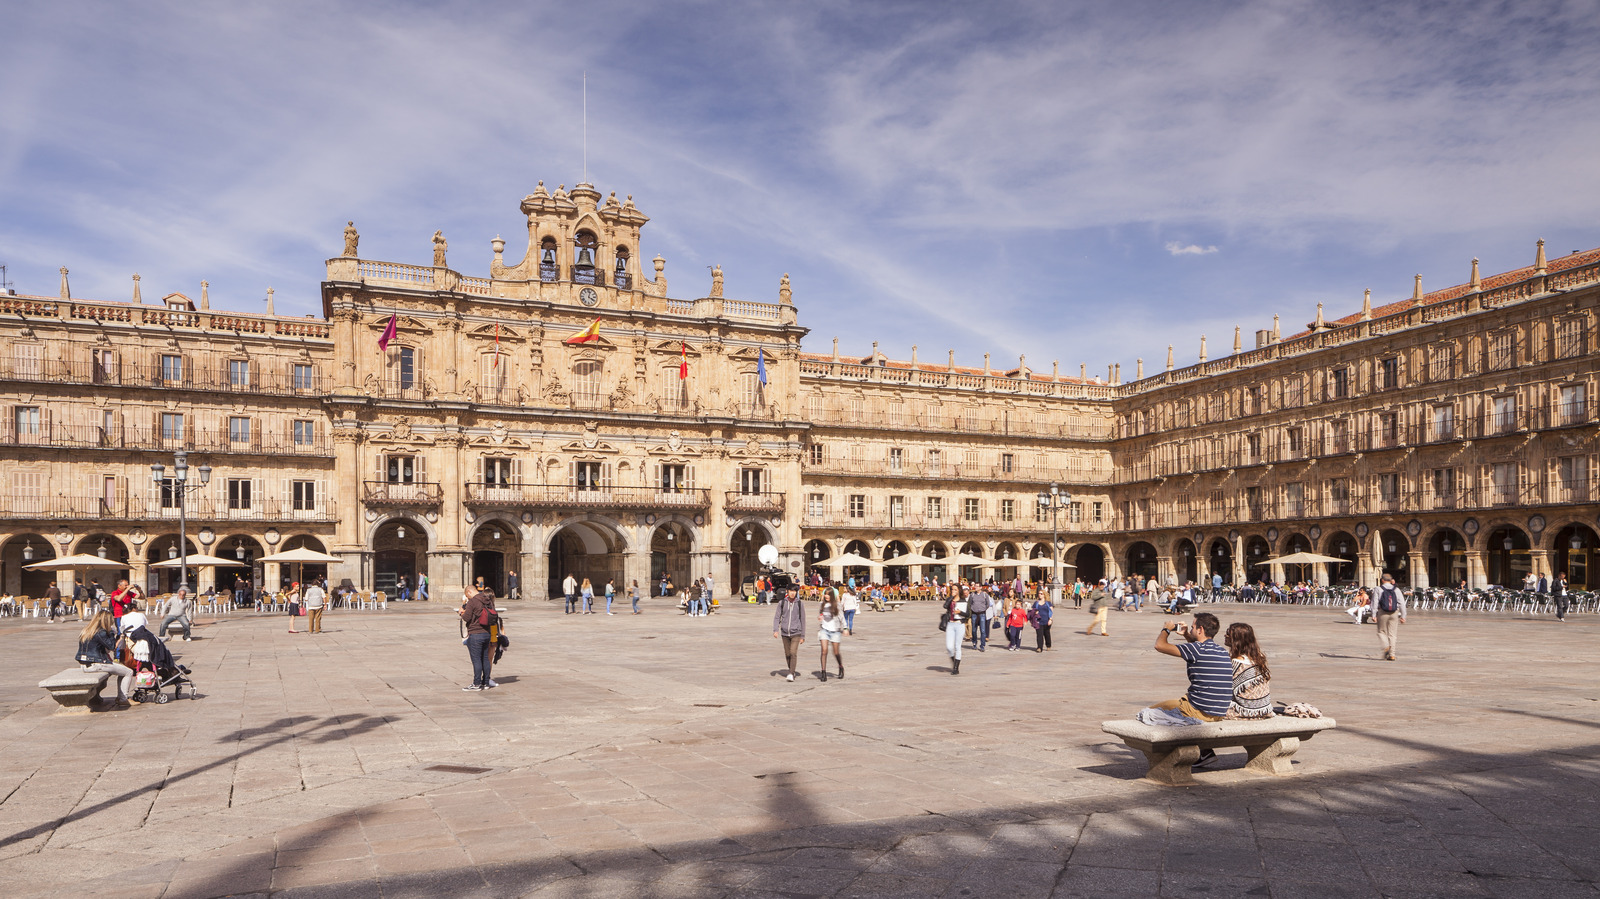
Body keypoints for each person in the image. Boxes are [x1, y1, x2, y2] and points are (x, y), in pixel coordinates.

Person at [1143, 612, 1232, 730]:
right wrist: (1186, 634)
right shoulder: (1222, 651)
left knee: (1148, 713)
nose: (1190, 630)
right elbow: (1197, 650)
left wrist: (1166, 629)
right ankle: (1205, 749)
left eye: (1192, 627)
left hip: (1197, 710)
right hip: (1218, 713)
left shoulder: (1195, 649)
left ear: (1200, 630)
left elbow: (1159, 645)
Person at [76, 610, 132, 708]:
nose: (111, 624)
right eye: (110, 622)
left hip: (85, 664)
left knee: (120, 670)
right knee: (128, 672)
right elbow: (111, 646)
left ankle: (101, 697)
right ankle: (123, 698)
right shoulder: (101, 632)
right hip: (97, 664)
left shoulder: (86, 630)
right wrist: (111, 633)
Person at [1223, 622, 1273, 720]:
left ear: (1236, 640)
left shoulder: (1236, 664)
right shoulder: (1259, 658)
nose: (1225, 635)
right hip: (1264, 709)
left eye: (1228, 633)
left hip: (1245, 710)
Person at [459, 586, 496, 691]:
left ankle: (476, 684)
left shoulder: (472, 602)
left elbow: (466, 618)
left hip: (475, 633)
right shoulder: (487, 599)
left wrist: (461, 612)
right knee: (485, 658)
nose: (468, 598)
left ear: (469, 592)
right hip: (487, 633)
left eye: (467, 595)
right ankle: (486, 682)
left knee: (476, 660)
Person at [772, 586, 805, 682]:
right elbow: (777, 617)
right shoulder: (782, 603)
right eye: (791, 591)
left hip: (796, 632)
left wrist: (803, 635)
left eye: (794, 591)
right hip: (785, 633)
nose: (792, 593)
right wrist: (775, 630)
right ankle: (792, 670)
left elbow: (803, 620)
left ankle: (791, 673)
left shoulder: (799, 603)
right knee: (787, 654)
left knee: (793, 652)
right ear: (787, 591)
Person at [1373, 574, 1406, 661]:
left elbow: (1375, 602)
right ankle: (1392, 655)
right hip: (1394, 613)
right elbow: (1402, 603)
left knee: (1381, 631)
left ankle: (1386, 646)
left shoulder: (1378, 589)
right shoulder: (1396, 589)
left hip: (1382, 612)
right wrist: (1403, 616)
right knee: (1393, 634)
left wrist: (1373, 614)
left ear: (1382, 580)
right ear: (1391, 580)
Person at [817, 591, 845, 681]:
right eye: (825, 594)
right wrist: (821, 617)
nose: (826, 596)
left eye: (828, 594)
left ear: (832, 595)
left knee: (836, 652)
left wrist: (845, 628)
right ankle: (823, 672)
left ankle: (840, 666)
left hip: (835, 630)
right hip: (824, 630)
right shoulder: (822, 604)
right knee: (824, 651)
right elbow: (821, 613)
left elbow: (841, 617)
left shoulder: (837, 605)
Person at [943, 589, 967, 674]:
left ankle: (956, 668)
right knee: (949, 647)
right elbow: (945, 606)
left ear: (958, 591)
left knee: (957, 646)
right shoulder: (950, 599)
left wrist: (960, 612)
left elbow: (968, 614)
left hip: (959, 624)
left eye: (955, 589)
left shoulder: (963, 601)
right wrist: (951, 598)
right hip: (950, 624)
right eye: (952, 589)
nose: (953, 590)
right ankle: (954, 663)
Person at [968, 587, 992, 652]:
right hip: (974, 614)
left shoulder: (984, 595)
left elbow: (988, 604)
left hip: (982, 614)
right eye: (975, 586)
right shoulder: (972, 595)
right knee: (973, 630)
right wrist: (973, 609)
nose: (976, 587)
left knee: (983, 630)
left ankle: (982, 645)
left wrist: (983, 609)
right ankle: (974, 642)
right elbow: (969, 603)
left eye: (977, 586)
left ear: (980, 587)